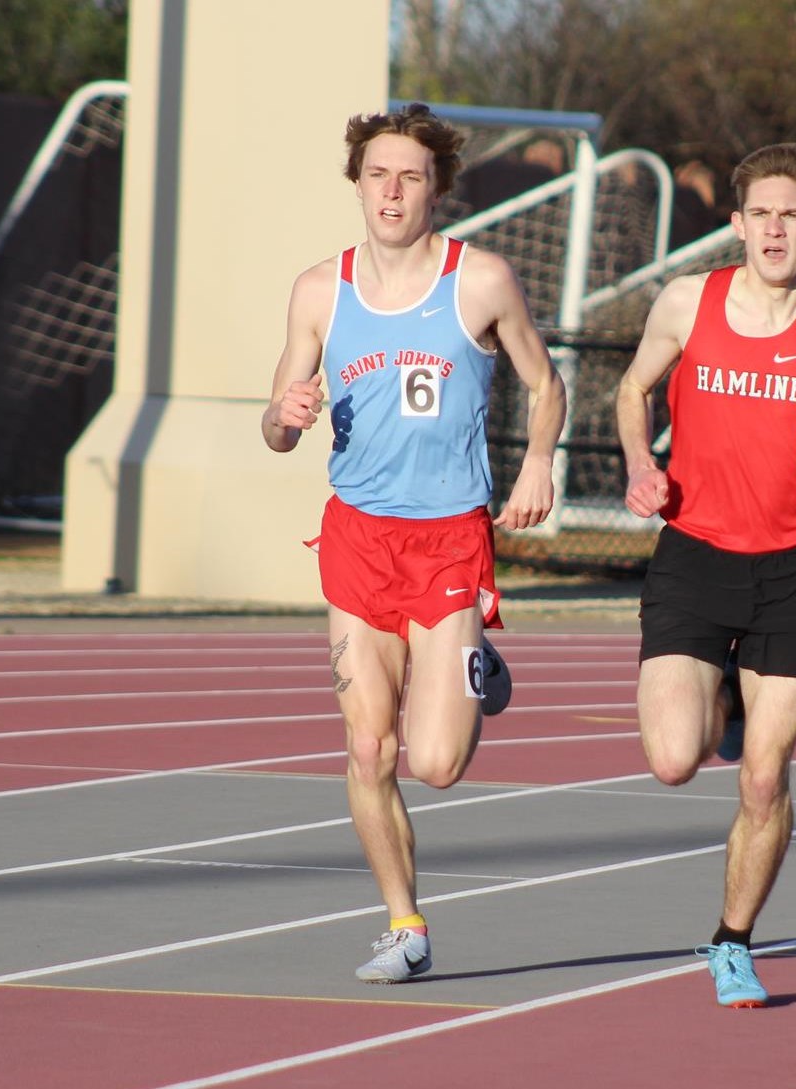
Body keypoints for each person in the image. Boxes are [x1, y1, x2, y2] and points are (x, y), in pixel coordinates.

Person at [261, 103, 568, 981]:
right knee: (368, 748)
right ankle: (405, 922)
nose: (392, 191)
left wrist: (539, 460)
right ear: (356, 183)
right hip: (356, 538)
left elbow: (545, 385)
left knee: (434, 763)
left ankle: (475, 662)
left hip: (448, 543)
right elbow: (279, 421)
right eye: (378, 175)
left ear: (437, 188)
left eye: (410, 176)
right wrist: (282, 420)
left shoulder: (481, 281)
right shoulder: (321, 289)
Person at [616, 142, 796, 1008]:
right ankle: (726, 702)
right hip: (695, 552)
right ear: (737, 223)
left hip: (795, 564)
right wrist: (639, 463)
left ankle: (733, 940)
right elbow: (632, 392)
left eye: (795, 215)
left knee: (766, 777)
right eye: (763, 214)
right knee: (673, 759)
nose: (777, 230)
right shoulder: (686, 301)